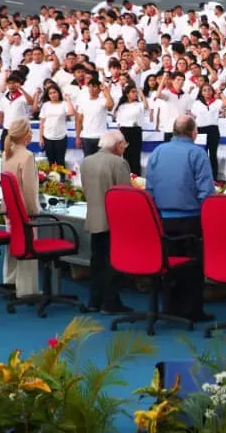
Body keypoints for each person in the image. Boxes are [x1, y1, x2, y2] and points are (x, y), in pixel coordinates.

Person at [144, 115, 215, 322]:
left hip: (162, 219)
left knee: (168, 264)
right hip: (190, 218)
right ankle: (192, 310)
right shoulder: (197, 153)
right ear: (194, 132)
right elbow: (206, 191)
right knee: (192, 266)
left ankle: (169, 306)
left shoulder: (157, 152)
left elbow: (150, 187)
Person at [79, 130, 133, 314]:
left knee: (97, 260)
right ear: (118, 145)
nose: (124, 148)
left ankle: (95, 299)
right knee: (111, 261)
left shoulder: (86, 161)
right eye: (124, 144)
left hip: (94, 216)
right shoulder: (119, 163)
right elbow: (126, 195)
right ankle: (110, 302)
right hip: (113, 220)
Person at [1, 120, 40, 298]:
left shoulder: (6, 153)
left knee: (13, 245)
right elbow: (30, 190)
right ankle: (27, 289)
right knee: (27, 248)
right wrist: (34, 212)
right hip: (24, 211)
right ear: (25, 134)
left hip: (9, 209)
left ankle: (10, 280)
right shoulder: (27, 156)